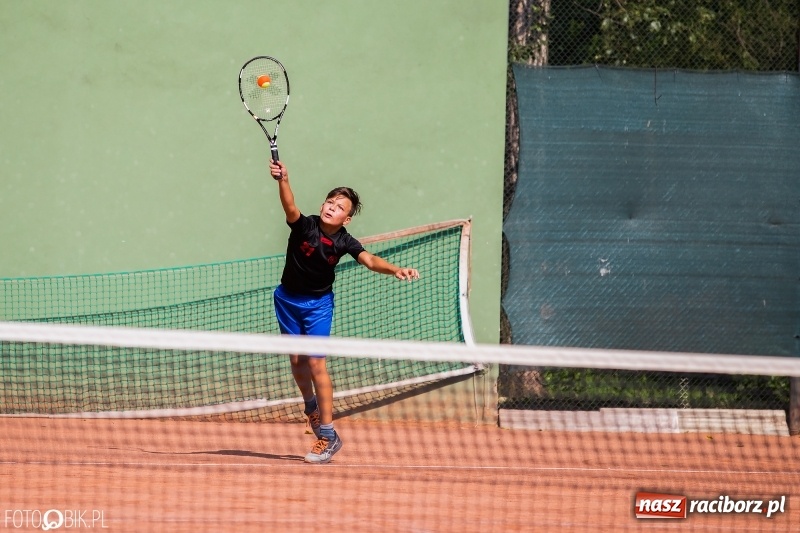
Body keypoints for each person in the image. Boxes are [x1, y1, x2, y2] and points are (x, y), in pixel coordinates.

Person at [269, 159, 420, 464]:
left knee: (316, 363)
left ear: (346, 219)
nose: (331, 207)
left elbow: (370, 260)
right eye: (329, 201)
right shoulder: (305, 225)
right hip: (286, 299)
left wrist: (394, 270)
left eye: (339, 207)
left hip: (318, 306)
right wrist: (283, 179)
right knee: (297, 362)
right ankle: (311, 408)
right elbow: (289, 206)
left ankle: (328, 434)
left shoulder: (344, 241)